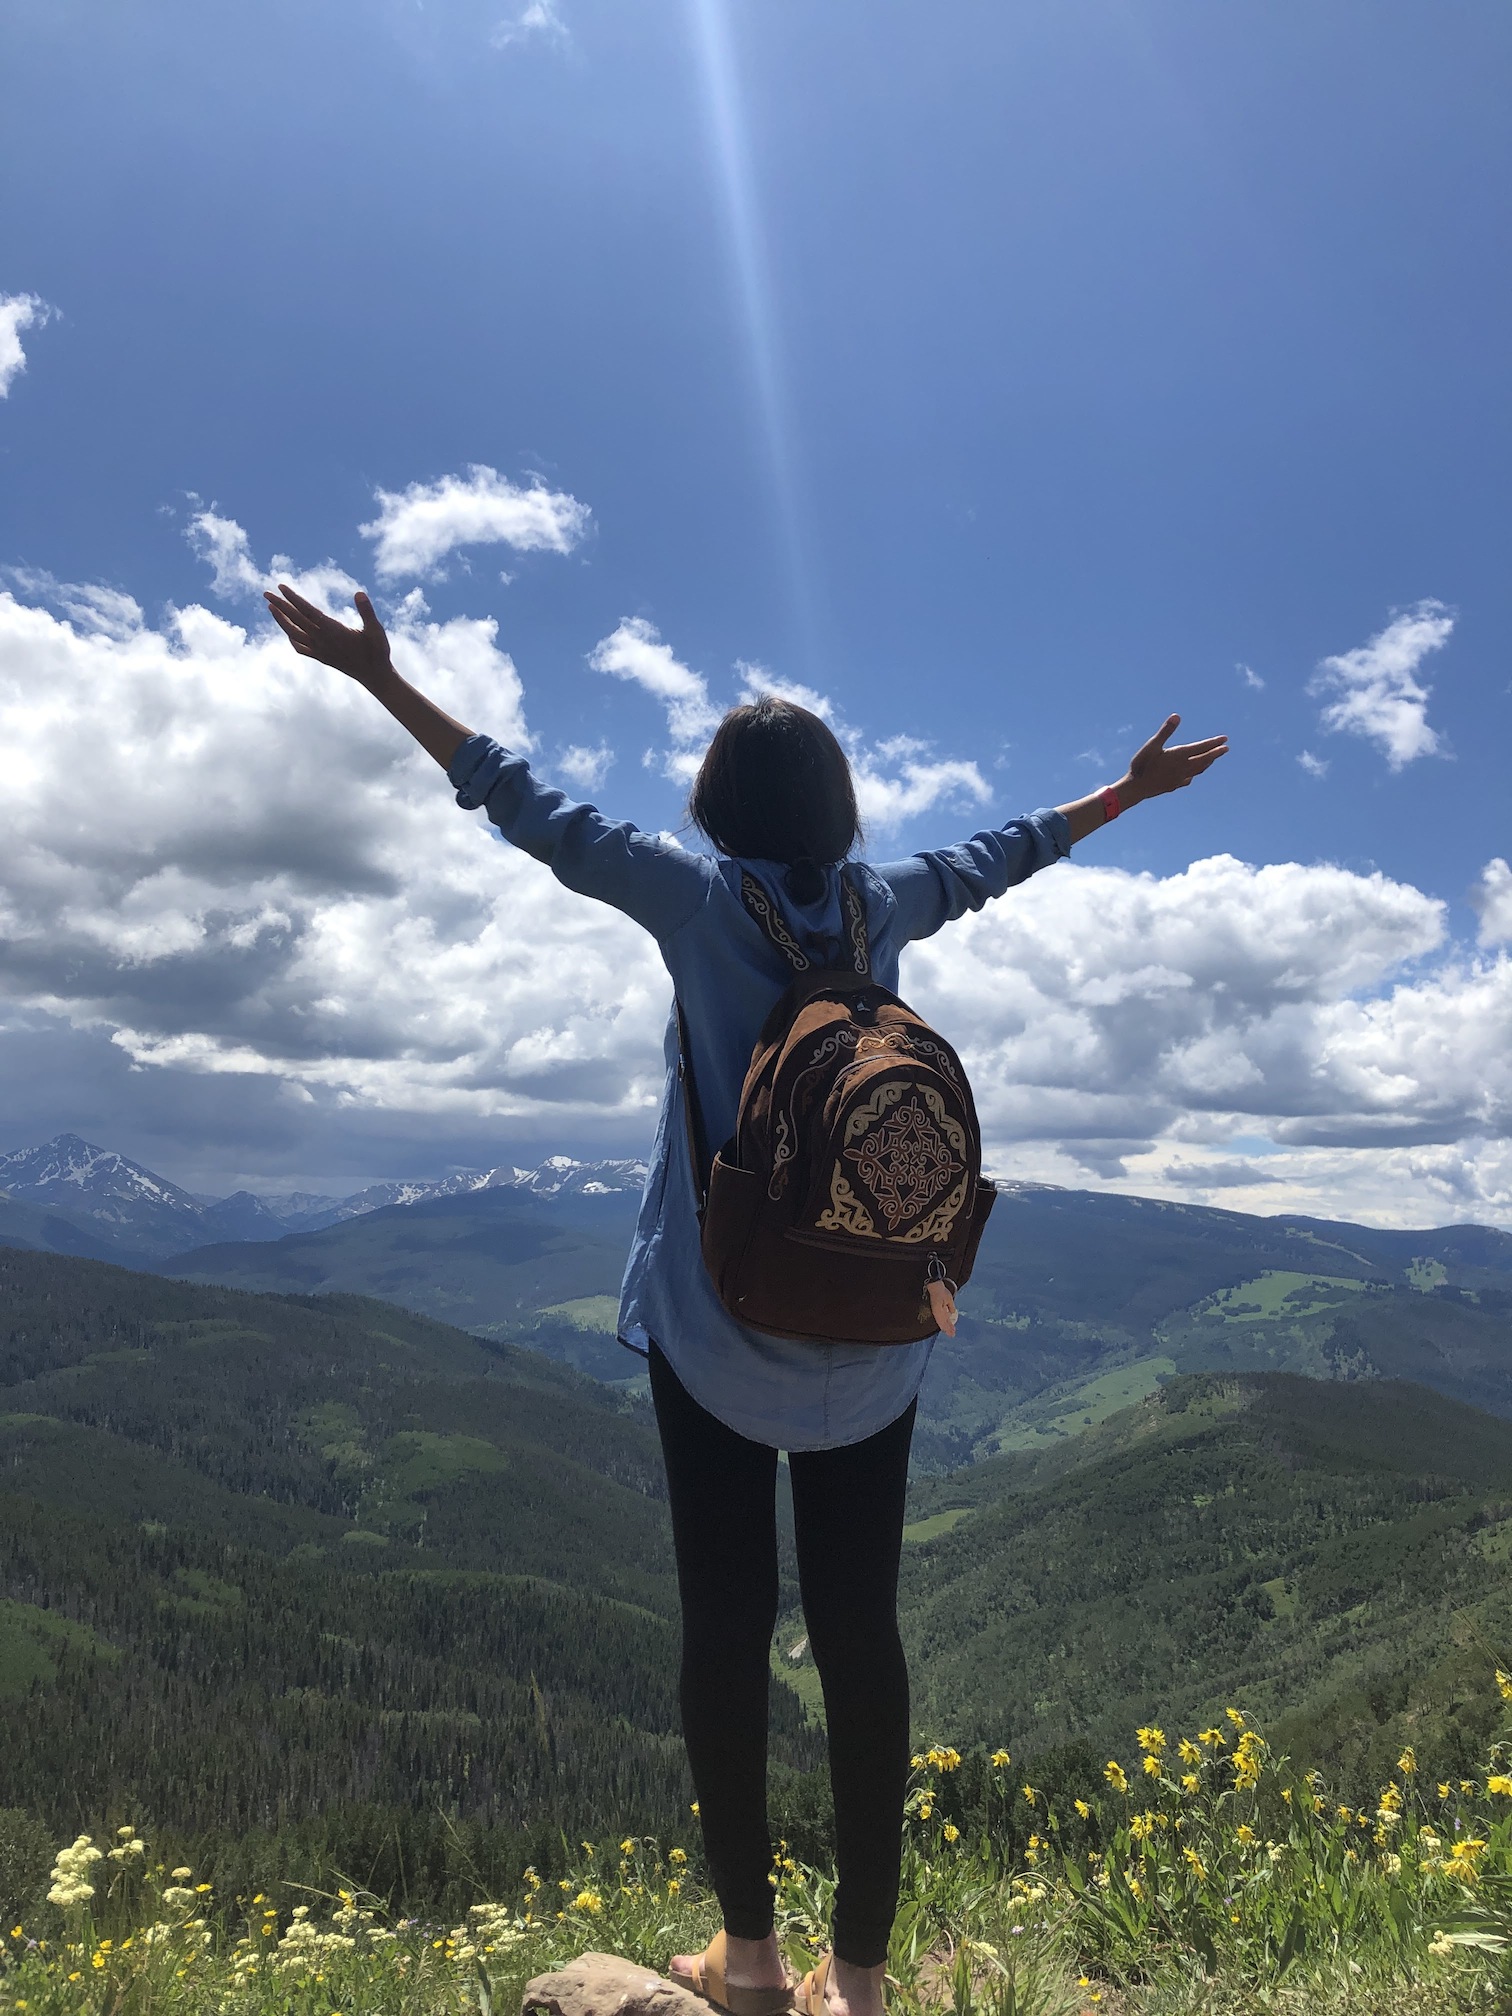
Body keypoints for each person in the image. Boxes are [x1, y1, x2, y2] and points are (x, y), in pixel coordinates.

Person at [265, 583, 1227, 2016]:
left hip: (715, 1332)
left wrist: (380, 680)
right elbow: (1003, 855)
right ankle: (865, 1977)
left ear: (718, 809)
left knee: (723, 1629)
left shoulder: (698, 901)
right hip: (879, 1341)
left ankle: (754, 1962)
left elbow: (521, 800)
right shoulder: (882, 905)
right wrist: (1128, 793)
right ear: (840, 812)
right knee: (862, 1642)